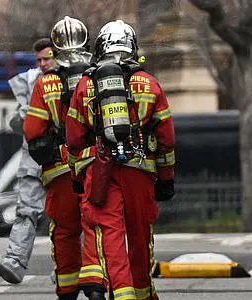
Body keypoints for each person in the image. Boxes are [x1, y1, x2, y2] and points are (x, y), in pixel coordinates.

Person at [66, 20, 175, 300]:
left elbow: (75, 139)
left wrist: (79, 178)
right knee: (139, 237)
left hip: (101, 171)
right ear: (132, 46)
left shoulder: (85, 85)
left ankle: (123, 295)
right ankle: (143, 293)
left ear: (101, 47)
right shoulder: (150, 85)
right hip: (140, 172)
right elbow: (166, 139)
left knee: (111, 237)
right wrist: (166, 180)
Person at [23, 16, 95, 300]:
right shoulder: (96, 76)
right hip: (95, 167)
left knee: (65, 232)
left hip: (61, 171)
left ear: (54, 47)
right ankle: (98, 285)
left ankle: (67, 290)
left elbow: (33, 131)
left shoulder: (46, 83)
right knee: (97, 228)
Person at [0, 38, 54, 284]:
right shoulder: (30, 82)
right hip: (34, 157)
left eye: (47, 57)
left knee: (69, 216)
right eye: (39, 59)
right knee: (26, 210)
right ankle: (15, 261)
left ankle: (72, 269)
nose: (43, 63)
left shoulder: (67, 78)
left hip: (62, 158)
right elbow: (20, 123)